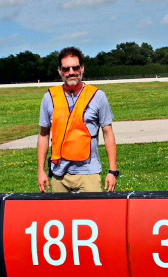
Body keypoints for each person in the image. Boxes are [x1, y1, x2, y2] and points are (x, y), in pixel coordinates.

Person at [37, 47, 119, 193]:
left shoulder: (97, 96)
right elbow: (43, 135)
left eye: (75, 67)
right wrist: (41, 170)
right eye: (66, 69)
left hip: (89, 173)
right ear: (60, 71)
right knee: (60, 215)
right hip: (59, 175)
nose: (71, 72)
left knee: (93, 215)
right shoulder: (49, 97)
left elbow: (108, 134)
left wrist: (112, 171)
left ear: (82, 69)